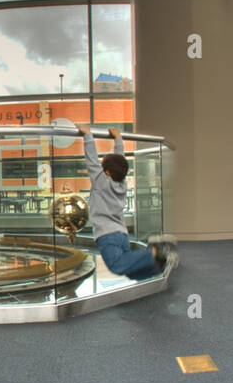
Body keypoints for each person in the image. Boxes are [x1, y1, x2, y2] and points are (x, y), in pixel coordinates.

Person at [58, 119, 163, 279]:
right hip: (121, 234)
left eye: (102, 165)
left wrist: (87, 135)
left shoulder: (101, 181)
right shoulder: (121, 183)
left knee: (117, 266)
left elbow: (91, 159)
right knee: (130, 271)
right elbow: (119, 160)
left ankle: (153, 253)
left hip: (107, 235)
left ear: (106, 172)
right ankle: (158, 266)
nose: (98, 166)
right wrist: (118, 139)